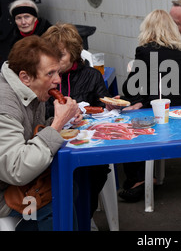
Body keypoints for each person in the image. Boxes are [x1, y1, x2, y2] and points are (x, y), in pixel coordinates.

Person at [0, 36, 81, 230]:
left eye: (58, 72)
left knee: (68, 186)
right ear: (25, 76)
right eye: (50, 73)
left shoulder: (27, 89)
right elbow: (19, 170)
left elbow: (30, 134)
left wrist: (63, 121)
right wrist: (57, 123)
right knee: (52, 201)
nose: (58, 80)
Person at [119, 9, 181, 202]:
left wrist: (134, 75)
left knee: (128, 117)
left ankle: (138, 179)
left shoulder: (144, 51)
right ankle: (145, 176)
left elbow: (131, 88)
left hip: (160, 113)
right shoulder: (178, 52)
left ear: (147, 29)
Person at [42, 23, 111, 221]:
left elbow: (103, 105)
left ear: (73, 53)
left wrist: (105, 108)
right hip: (53, 142)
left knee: (96, 170)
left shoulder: (91, 76)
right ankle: (67, 218)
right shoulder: (44, 79)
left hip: (87, 140)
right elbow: (39, 111)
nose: (54, 61)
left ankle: (83, 217)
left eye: (60, 56)